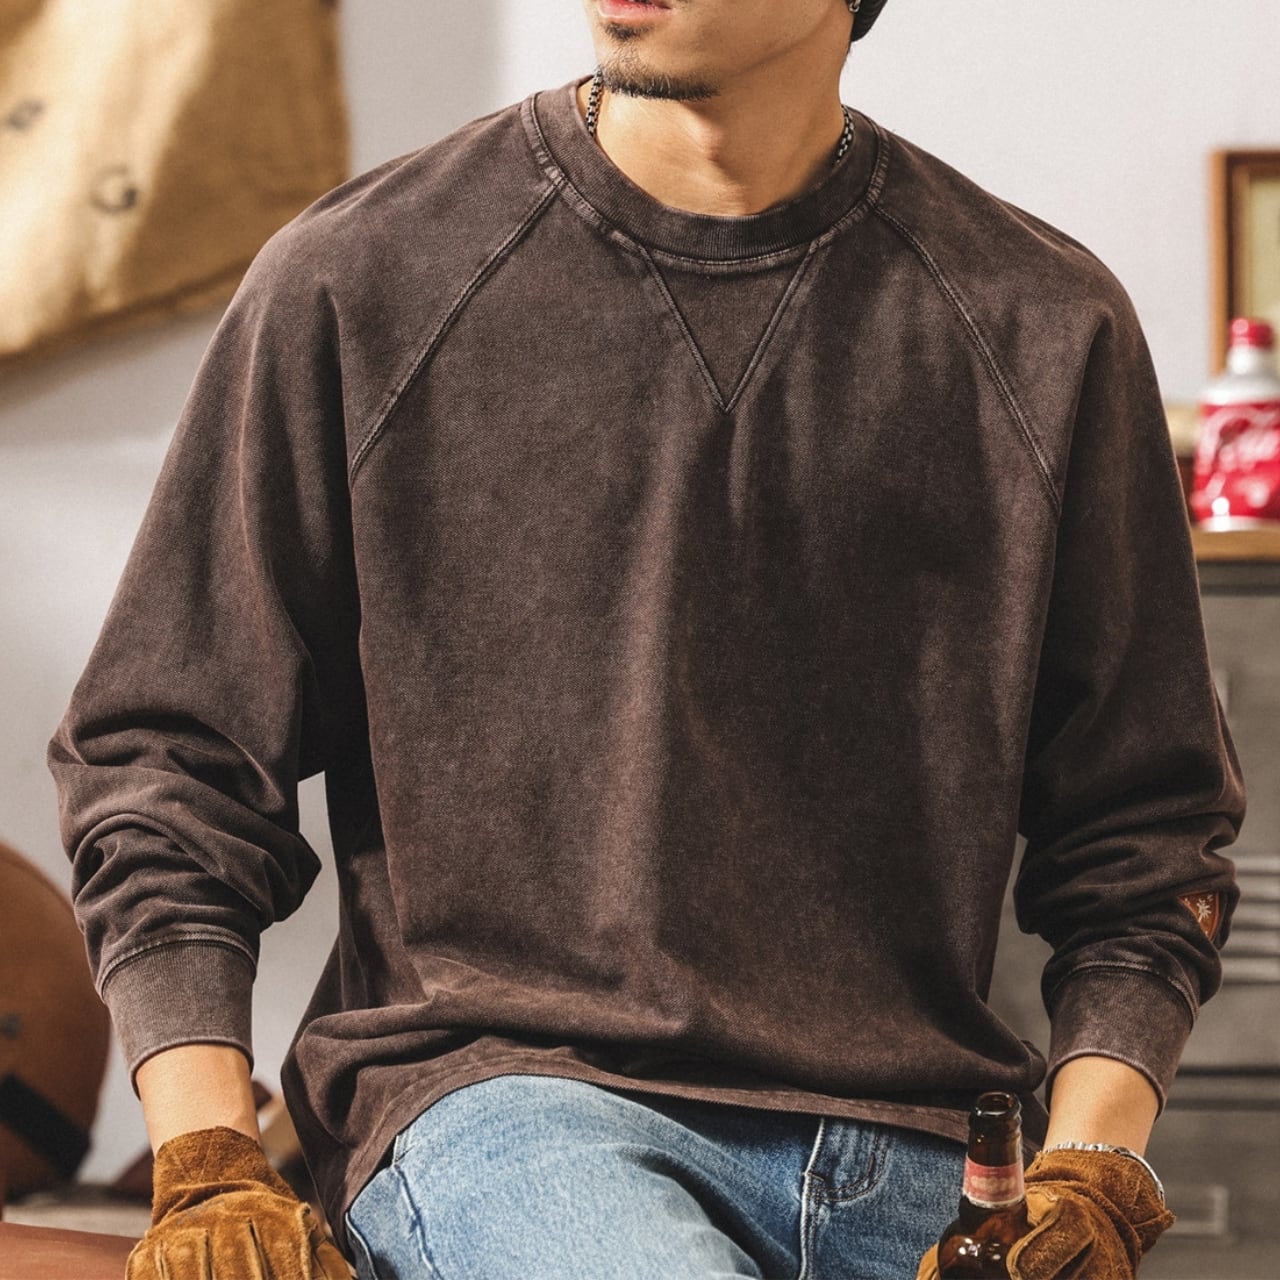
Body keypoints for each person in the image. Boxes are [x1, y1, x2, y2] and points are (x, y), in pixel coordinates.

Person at [51, 2, 1244, 1277]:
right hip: (511, 1105)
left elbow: (1144, 830)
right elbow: (167, 762)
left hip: (923, 1146)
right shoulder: (361, 276)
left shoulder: (1042, 325)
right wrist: (208, 1157)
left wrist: (1092, 1160)